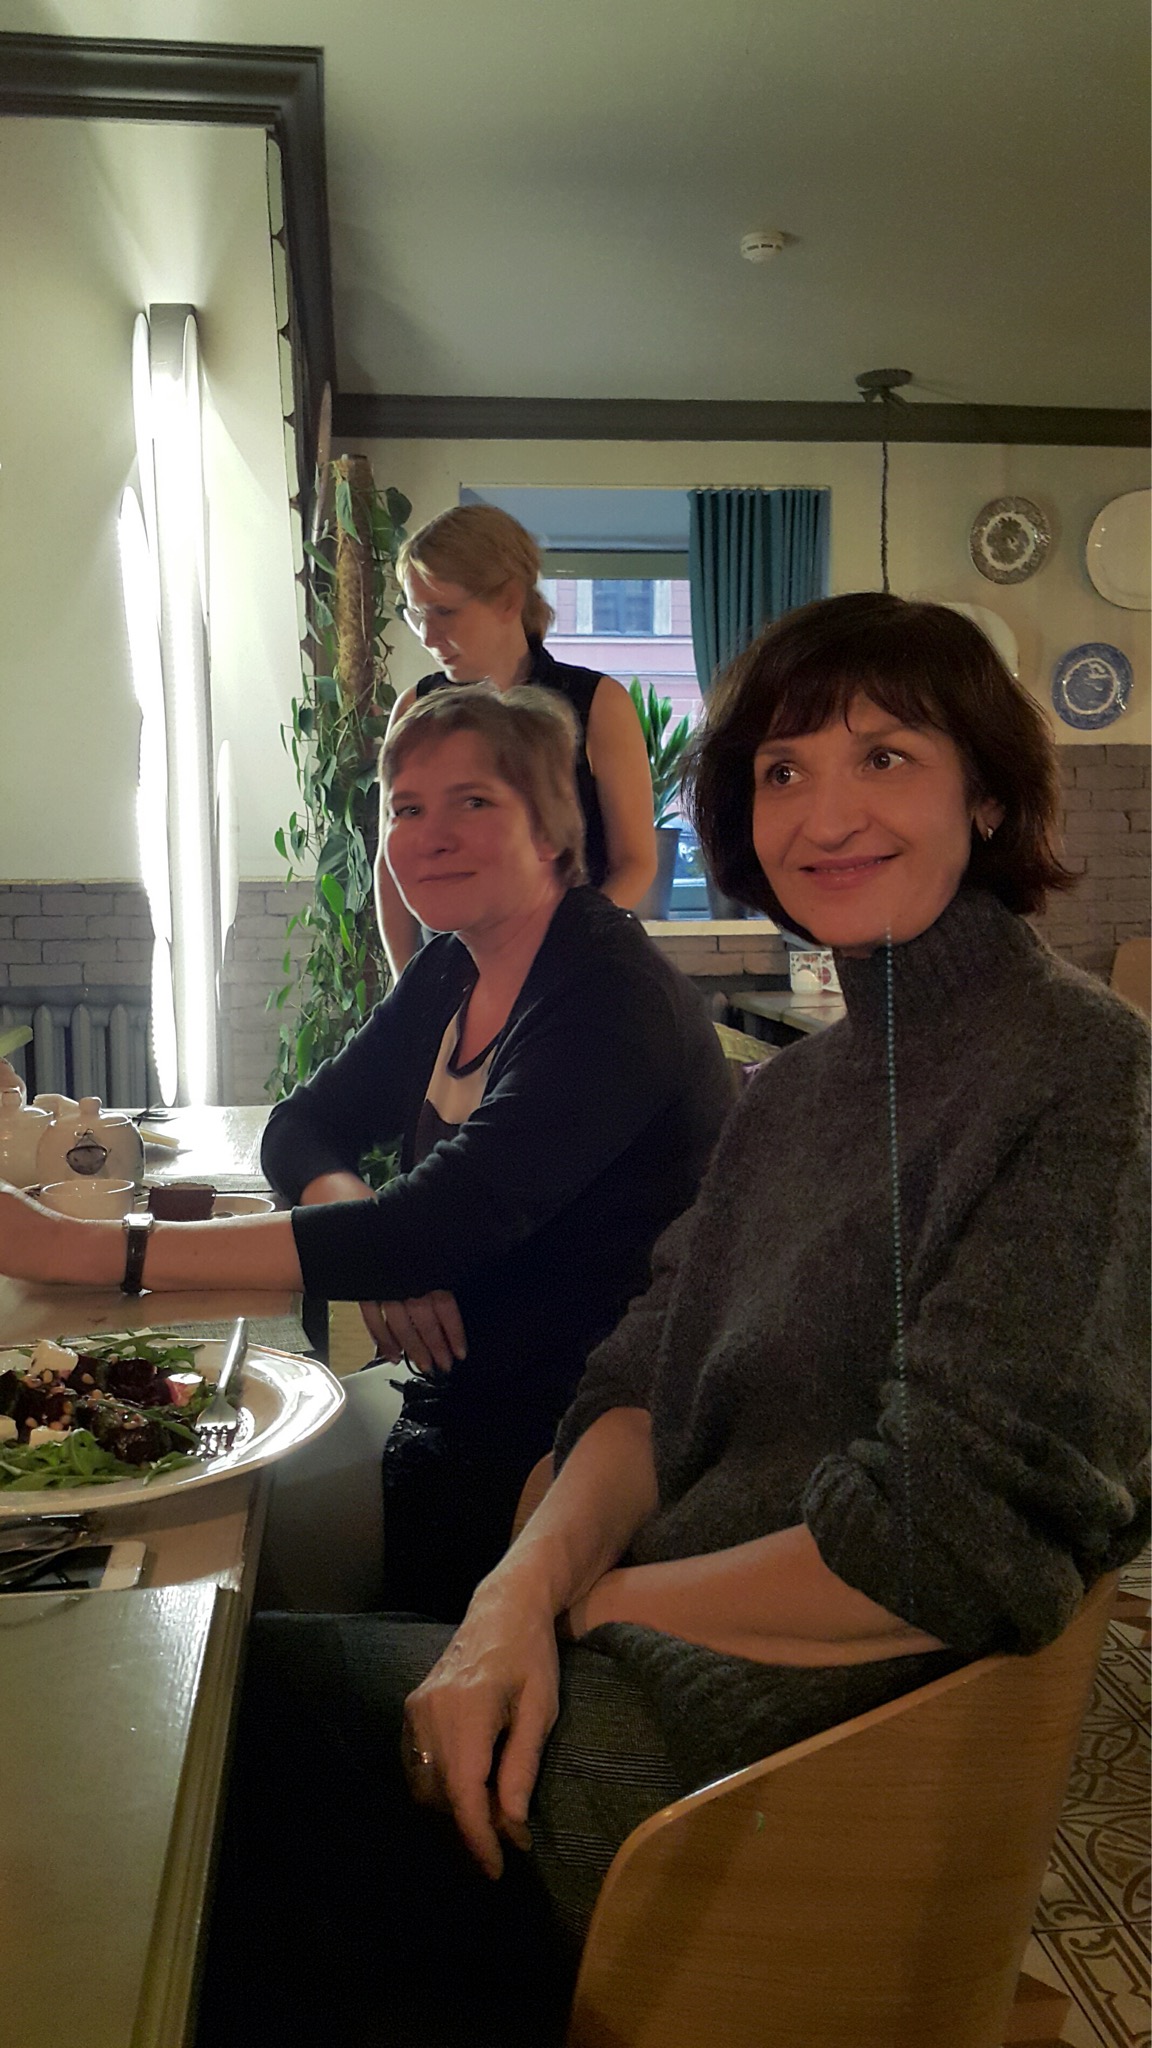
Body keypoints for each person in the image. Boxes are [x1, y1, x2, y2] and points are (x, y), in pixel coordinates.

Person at [190, 591, 1148, 2048]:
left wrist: (585, 1606)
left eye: (886, 756)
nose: (826, 811)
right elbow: (642, 1372)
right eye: (783, 768)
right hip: (644, 1663)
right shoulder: (802, 1088)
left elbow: (940, 1545)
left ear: (992, 794)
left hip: (772, 1769)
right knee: (223, 1694)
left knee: (215, 1763)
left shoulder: (1080, 1070)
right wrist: (516, 1598)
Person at [0, 685, 730, 1621]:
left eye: (474, 801)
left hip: (573, 1457)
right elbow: (301, 1125)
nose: (431, 836)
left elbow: (437, 1225)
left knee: (203, 1577)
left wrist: (80, 1249)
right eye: (407, 809)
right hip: (458, 1406)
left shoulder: (608, 995)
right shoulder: (454, 965)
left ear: (552, 830)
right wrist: (369, 1229)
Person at [375, 502, 658, 976]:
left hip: (576, 972)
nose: (426, 635)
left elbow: (636, 863)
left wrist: (560, 951)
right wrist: (409, 987)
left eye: (444, 611)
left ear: (508, 600)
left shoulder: (598, 702)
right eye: (415, 614)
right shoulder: (414, 708)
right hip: (450, 973)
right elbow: (389, 865)